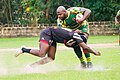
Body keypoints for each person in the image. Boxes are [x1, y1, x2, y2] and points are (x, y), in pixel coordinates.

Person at [15, 27, 101, 67]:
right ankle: (23, 49)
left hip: (54, 38)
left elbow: (67, 43)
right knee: (42, 53)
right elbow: (85, 47)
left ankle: (31, 67)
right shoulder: (76, 36)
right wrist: (95, 52)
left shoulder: (74, 35)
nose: (79, 44)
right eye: (80, 42)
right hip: (48, 33)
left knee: (51, 58)